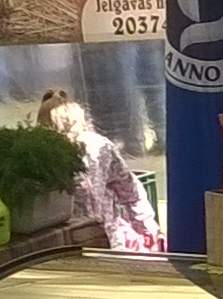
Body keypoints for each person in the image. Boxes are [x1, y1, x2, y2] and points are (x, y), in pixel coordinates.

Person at [35, 91, 164, 253]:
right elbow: (129, 191)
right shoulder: (98, 146)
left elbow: (130, 190)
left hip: (71, 240)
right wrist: (147, 228)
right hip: (104, 236)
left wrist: (147, 228)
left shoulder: (97, 147)